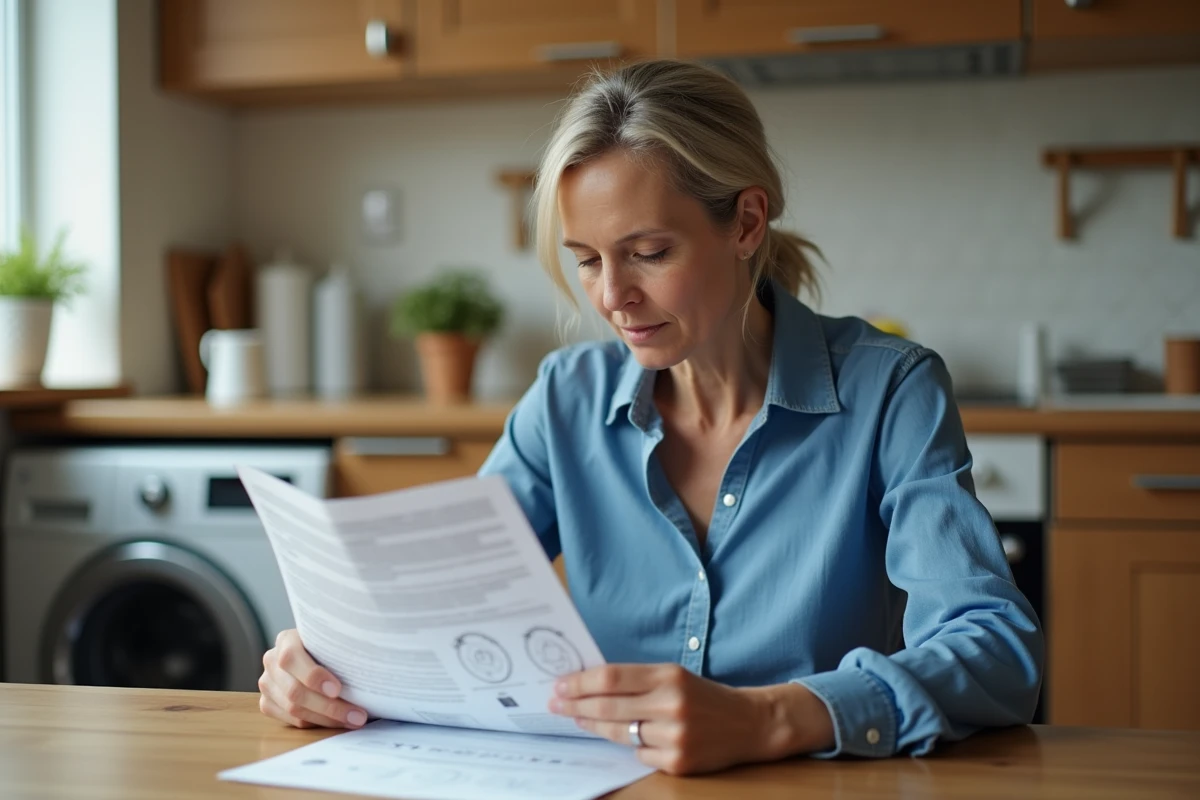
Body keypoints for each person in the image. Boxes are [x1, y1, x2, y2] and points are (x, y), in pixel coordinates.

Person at [257, 59, 1043, 776]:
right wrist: (324, 665)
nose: (611, 298)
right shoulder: (565, 401)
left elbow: (997, 650)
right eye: (588, 260)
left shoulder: (891, 391)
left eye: (649, 253)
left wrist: (773, 717)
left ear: (744, 223)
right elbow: (441, 611)